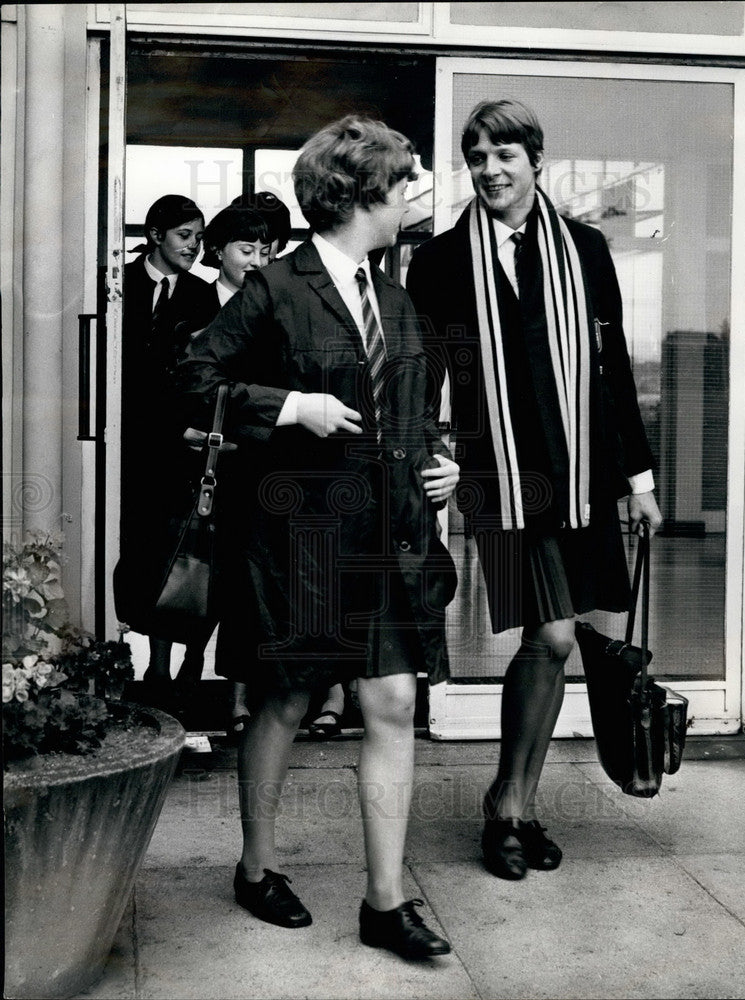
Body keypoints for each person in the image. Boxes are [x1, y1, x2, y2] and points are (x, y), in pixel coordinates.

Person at [177, 115, 460, 959]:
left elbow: (413, 420)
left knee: (393, 703)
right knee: (286, 701)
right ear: (366, 193)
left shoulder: (399, 301)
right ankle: (257, 867)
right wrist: (289, 407)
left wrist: (443, 471)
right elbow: (194, 380)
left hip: (387, 540)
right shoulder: (276, 287)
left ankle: (384, 901)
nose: (414, 193)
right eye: (405, 180)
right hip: (297, 537)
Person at [406, 99, 663, 881]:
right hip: (495, 478)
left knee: (550, 646)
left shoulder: (584, 250)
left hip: (579, 473)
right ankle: (506, 806)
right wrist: (426, 459)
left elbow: (610, 369)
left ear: (535, 160)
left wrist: (638, 479)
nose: (489, 170)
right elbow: (424, 376)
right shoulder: (442, 262)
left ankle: (512, 802)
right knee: (553, 637)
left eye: (503, 156)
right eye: (476, 157)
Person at [185, 194, 293, 734]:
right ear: (219, 251)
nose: (255, 260)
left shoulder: (277, 303)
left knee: (261, 585)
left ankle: (260, 697)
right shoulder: (194, 301)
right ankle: (200, 687)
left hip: (263, 461)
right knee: (214, 581)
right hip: (206, 464)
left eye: (265, 250)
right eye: (246, 249)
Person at [114, 194, 212, 711]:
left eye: (198, 237)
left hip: (180, 447)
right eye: (185, 236)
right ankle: (138, 658)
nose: (194, 247)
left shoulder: (201, 295)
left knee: (175, 554)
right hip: (126, 444)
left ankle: (179, 665)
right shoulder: (119, 284)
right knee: (134, 550)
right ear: (155, 234)